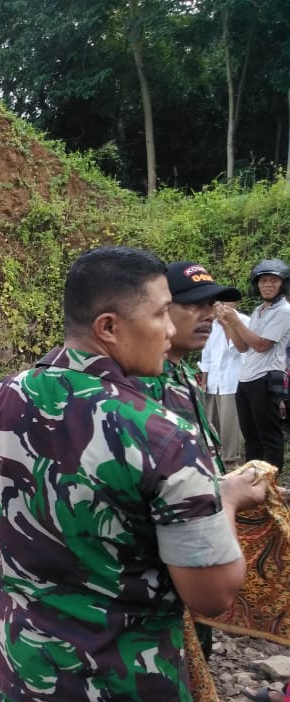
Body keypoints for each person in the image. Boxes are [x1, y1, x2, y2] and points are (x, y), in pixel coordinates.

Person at [0, 245, 265, 702]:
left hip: (26, 674)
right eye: (159, 314)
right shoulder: (166, 438)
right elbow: (213, 594)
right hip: (128, 699)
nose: (171, 331)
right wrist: (223, 498)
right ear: (109, 327)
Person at [138, 261, 243, 662]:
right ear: (162, 309)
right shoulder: (140, 386)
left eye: (212, 305)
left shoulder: (180, 373)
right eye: (194, 305)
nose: (208, 316)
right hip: (170, 558)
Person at [217, 258, 290, 472]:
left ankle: (270, 486)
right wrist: (228, 323)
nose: (267, 285)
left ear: (283, 284)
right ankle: (252, 483)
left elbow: (261, 345)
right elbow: (242, 347)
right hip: (246, 378)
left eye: (273, 281)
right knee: (251, 437)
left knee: (269, 436)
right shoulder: (259, 310)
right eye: (263, 281)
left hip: (267, 378)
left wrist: (236, 321)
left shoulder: (284, 312)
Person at [199, 300, 250, 467]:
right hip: (214, 382)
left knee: (230, 423)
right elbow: (206, 354)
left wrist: (227, 324)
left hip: (232, 381)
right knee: (211, 422)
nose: (222, 306)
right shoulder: (210, 324)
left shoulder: (244, 321)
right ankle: (214, 459)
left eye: (227, 301)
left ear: (235, 303)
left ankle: (231, 460)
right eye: (220, 302)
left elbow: (237, 348)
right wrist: (204, 382)